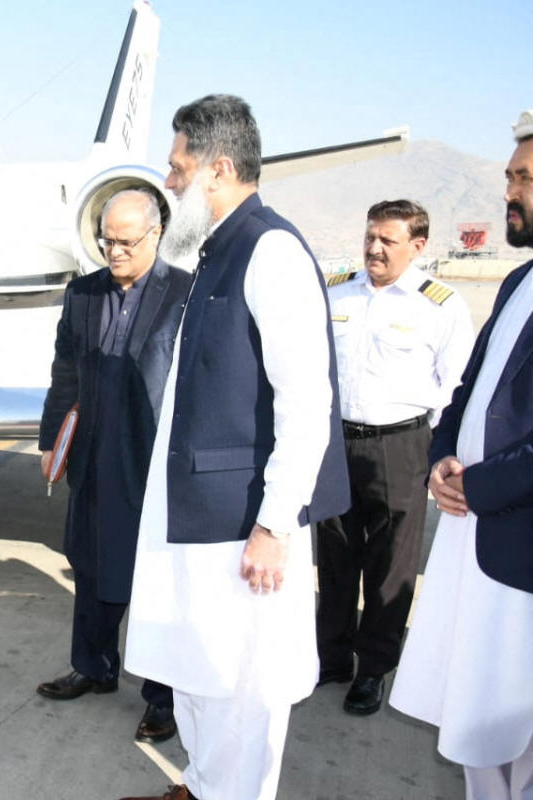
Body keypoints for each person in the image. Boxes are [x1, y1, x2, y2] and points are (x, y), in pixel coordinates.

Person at [119, 95, 350, 800]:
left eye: (177, 167)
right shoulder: (216, 252)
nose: (169, 181)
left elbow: (306, 402)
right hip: (198, 517)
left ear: (218, 169)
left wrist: (274, 525)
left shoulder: (270, 250)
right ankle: (200, 786)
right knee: (198, 673)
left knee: (243, 691)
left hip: (243, 526)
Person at [390, 112, 533, 800]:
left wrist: (481, 485)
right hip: (472, 528)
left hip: (517, 541)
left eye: (524, 178)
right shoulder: (517, 282)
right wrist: (444, 454)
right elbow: (471, 388)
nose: (509, 191)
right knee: (474, 709)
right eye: (509, 176)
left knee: (518, 723)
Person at [37, 189, 190, 743]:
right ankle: (93, 666)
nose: (114, 251)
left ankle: (162, 697)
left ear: (155, 234)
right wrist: (52, 441)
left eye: (126, 241)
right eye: (106, 241)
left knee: (155, 581)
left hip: (153, 462)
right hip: (93, 455)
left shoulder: (184, 294)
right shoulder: (82, 294)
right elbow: (64, 372)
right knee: (91, 564)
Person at [315, 200, 473, 716]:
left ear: (418, 246)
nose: (374, 248)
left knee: (391, 565)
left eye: (388, 240)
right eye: (370, 237)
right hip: (337, 442)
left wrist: (436, 449)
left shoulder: (440, 305)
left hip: (401, 444)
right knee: (335, 555)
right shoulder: (337, 290)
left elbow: (455, 387)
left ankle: (374, 668)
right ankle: (331, 657)